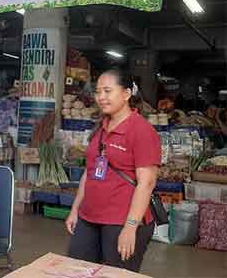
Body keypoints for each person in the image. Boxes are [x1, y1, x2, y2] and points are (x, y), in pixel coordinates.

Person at [66, 68, 160, 272]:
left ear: (126, 94)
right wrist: (75, 209)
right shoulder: (101, 127)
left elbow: (147, 183)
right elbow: (89, 172)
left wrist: (131, 227)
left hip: (121, 220)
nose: (101, 97)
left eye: (107, 91)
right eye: (98, 92)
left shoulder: (141, 130)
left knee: (116, 274)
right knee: (76, 269)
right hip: (89, 217)